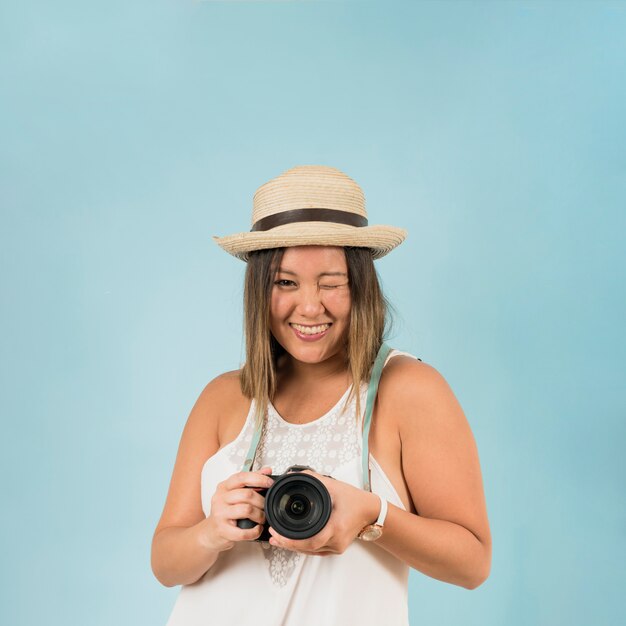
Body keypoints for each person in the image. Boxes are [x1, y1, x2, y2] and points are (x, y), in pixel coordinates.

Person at [151, 165, 492, 626]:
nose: (310, 306)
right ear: (259, 289)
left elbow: (472, 563)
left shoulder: (408, 389)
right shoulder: (225, 395)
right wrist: (214, 531)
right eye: (285, 282)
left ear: (361, 285)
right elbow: (165, 563)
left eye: (331, 283)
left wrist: (373, 516)